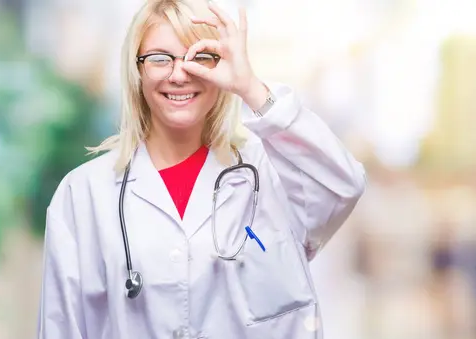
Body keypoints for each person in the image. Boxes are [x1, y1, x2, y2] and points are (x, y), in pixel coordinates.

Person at [36, 0, 366, 338]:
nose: (179, 74)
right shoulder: (83, 195)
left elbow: (344, 183)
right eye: (160, 58)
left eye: (199, 58)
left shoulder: (270, 174)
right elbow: (61, 326)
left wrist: (250, 87)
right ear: (137, 70)